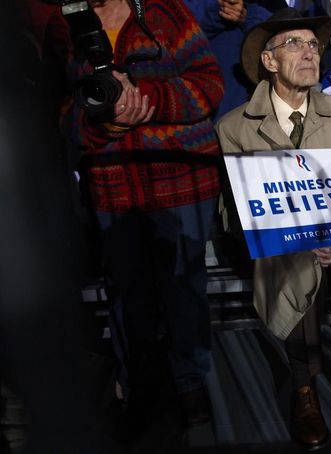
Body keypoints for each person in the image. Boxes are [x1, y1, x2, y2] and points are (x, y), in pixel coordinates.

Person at [215, 7, 331, 449]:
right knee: (297, 261)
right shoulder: (234, 127)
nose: (309, 54)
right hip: (280, 248)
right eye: (294, 45)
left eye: (313, 46)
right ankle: (304, 388)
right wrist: (298, 237)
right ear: (269, 61)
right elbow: (235, 212)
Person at [57, 0, 224, 441]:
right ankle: (140, 390)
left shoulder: (166, 12)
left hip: (182, 181)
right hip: (112, 188)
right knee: (128, 295)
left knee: (184, 289)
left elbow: (209, 86)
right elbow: (61, 113)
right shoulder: (64, 25)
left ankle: (190, 386)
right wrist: (103, 125)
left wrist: (145, 100)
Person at [185, 0, 273, 119]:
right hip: (196, 96)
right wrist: (219, 11)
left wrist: (247, 15)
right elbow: (176, 28)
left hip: (239, 102)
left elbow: (279, 24)